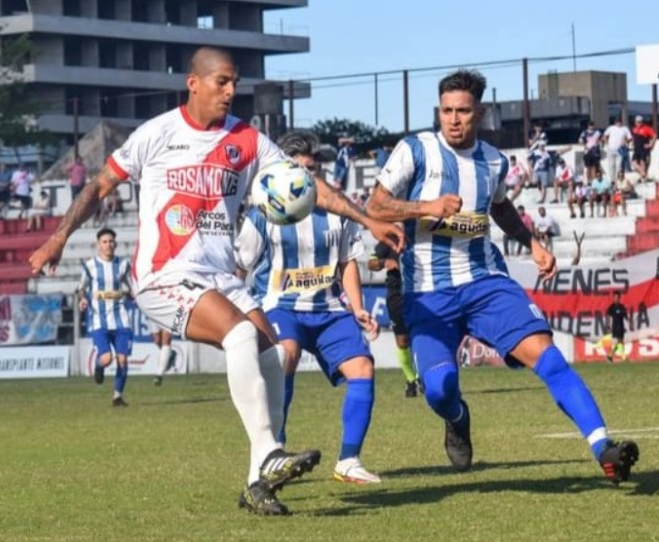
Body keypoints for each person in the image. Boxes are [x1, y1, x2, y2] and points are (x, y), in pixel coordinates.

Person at [28, 46, 403, 516]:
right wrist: (57, 239)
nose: (230, 91)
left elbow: (309, 186)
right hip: (163, 275)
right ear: (194, 83)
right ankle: (268, 453)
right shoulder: (157, 134)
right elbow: (99, 185)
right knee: (241, 333)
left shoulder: (246, 140)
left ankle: (256, 485)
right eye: (222, 82)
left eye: (235, 83)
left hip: (220, 277)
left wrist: (367, 221)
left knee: (272, 353)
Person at [364, 69, 638, 484]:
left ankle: (605, 448)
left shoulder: (493, 160)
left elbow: (500, 207)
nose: (453, 119)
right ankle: (457, 418)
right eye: (446, 111)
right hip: (427, 293)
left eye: (463, 112)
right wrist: (425, 207)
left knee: (548, 357)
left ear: (481, 113)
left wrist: (533, 243)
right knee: (439, 389)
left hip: (485, 282)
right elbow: (376, 207)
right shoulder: (414, 151)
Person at [237, 130, 382, 485]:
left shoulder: (339, 213)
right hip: (280, 307)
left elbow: (348, 261)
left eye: (312, 170)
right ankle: (273, 452)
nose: (305, 178)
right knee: (284, 356)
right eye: (297, 168)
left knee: (362, 367)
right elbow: (240, 264)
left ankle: (348, 460)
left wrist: (358, 307)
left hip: (330, 309)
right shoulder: (263, 214)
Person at [77, 228, 133, 407]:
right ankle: (99, 366)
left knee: (123, 359)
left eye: (111, 242)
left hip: (121, 320)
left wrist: (133, 293)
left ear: (115, 244)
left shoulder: (123, 265)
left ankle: (117, 396)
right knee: (107, 358)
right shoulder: (91, 266)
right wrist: (83, 299)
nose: (108, 245)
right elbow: (81, 289)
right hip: (99, 321)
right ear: (98, 245)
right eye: (104, 242)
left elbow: (132, 288)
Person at [369, 240, 418, 397]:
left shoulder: (420, 235)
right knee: (402, 340)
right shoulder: (388, 240)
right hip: (396, 295)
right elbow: (371, 263)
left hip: (420, 293)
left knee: (421, 336)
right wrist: (384, 262)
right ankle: (412, 379)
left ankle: (425, 377)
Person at [601, 117, 631, 184]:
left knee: (619, 166)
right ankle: (612, 180)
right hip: (611, 149)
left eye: (619, 121)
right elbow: (604, 135)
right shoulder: (611, 128)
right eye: (617, 121)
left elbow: (630, 138)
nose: (618, 123)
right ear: (615, 122)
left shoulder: (625, 129)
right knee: (611, 165)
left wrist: (625, 142)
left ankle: (618, 180)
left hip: (620, 150)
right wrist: (606, 142)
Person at [605, 292, 630, 363]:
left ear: (619, 298)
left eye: (617, 298)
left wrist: (629, 320)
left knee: (621, 342)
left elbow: (625, 316)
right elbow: (608, 316)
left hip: (621, 326)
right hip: (615, 327)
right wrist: (608, 325)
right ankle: (621, 357)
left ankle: (610, 356)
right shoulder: (611, 307)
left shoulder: (622, 307)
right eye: (614, 298)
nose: (616, 299)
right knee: (619, 341)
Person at [631, 115, 655, 182]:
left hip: (643, 148)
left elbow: (654, 135)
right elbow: (633, 138)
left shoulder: (646, 128)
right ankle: (643, 174)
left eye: (640, 122)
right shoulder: (634, 129)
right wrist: (632, 143)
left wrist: (651, 144)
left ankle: (643, 178)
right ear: (635, 122)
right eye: (637, 122)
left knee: (642, 163)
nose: (638, 123)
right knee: (633, 163)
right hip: (636, 148)